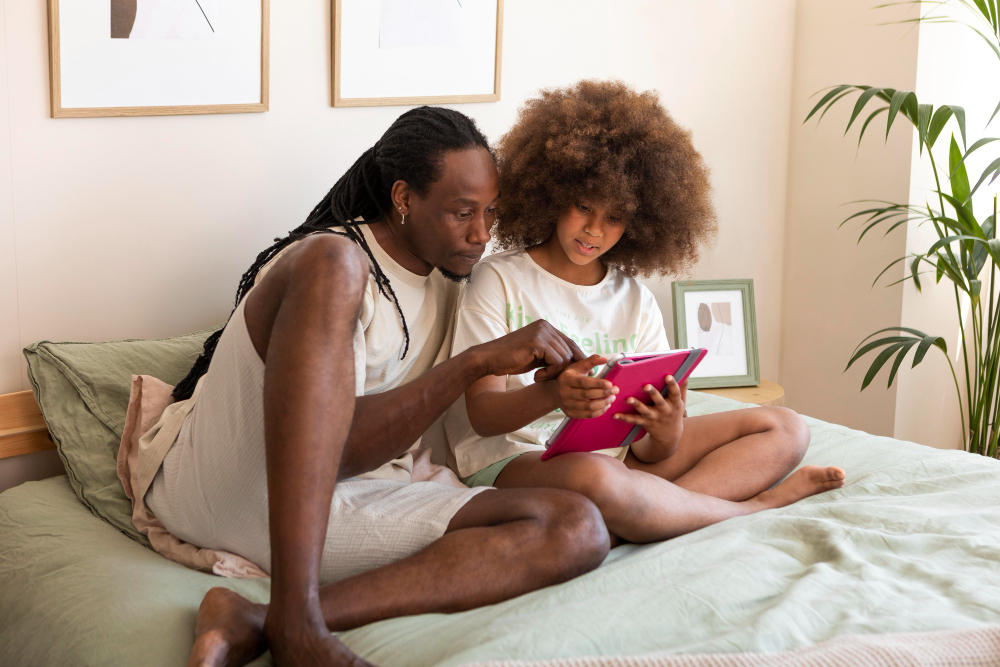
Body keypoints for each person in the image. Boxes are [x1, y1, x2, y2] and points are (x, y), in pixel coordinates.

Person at [141, 107, 611, 667]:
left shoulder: (456, 280)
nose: (482, 234)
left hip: (341, 511)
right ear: (404, 198)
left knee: (578, 527)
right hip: (237, 484)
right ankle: (296, 624)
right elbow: (335, 452)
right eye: (462, 212)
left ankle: (259, 619)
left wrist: (556, 382)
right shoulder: (328, 261)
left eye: (490, 212)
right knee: (333, 259)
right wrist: (472, 363)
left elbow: (472, 426)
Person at [444, 80, 846, 546]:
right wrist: (555, 395)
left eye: (614, 217)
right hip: (512, 459)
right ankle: (746, 507)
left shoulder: (634, 300)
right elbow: (483, 416)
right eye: (584, 206)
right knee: (598, 478)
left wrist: (667, 428)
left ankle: (655, 513)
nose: (595, 229)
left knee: (786, 427)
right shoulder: (499, 280)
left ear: (640, 219)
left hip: (619, 460)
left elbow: (653, 449)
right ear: (553, 193)